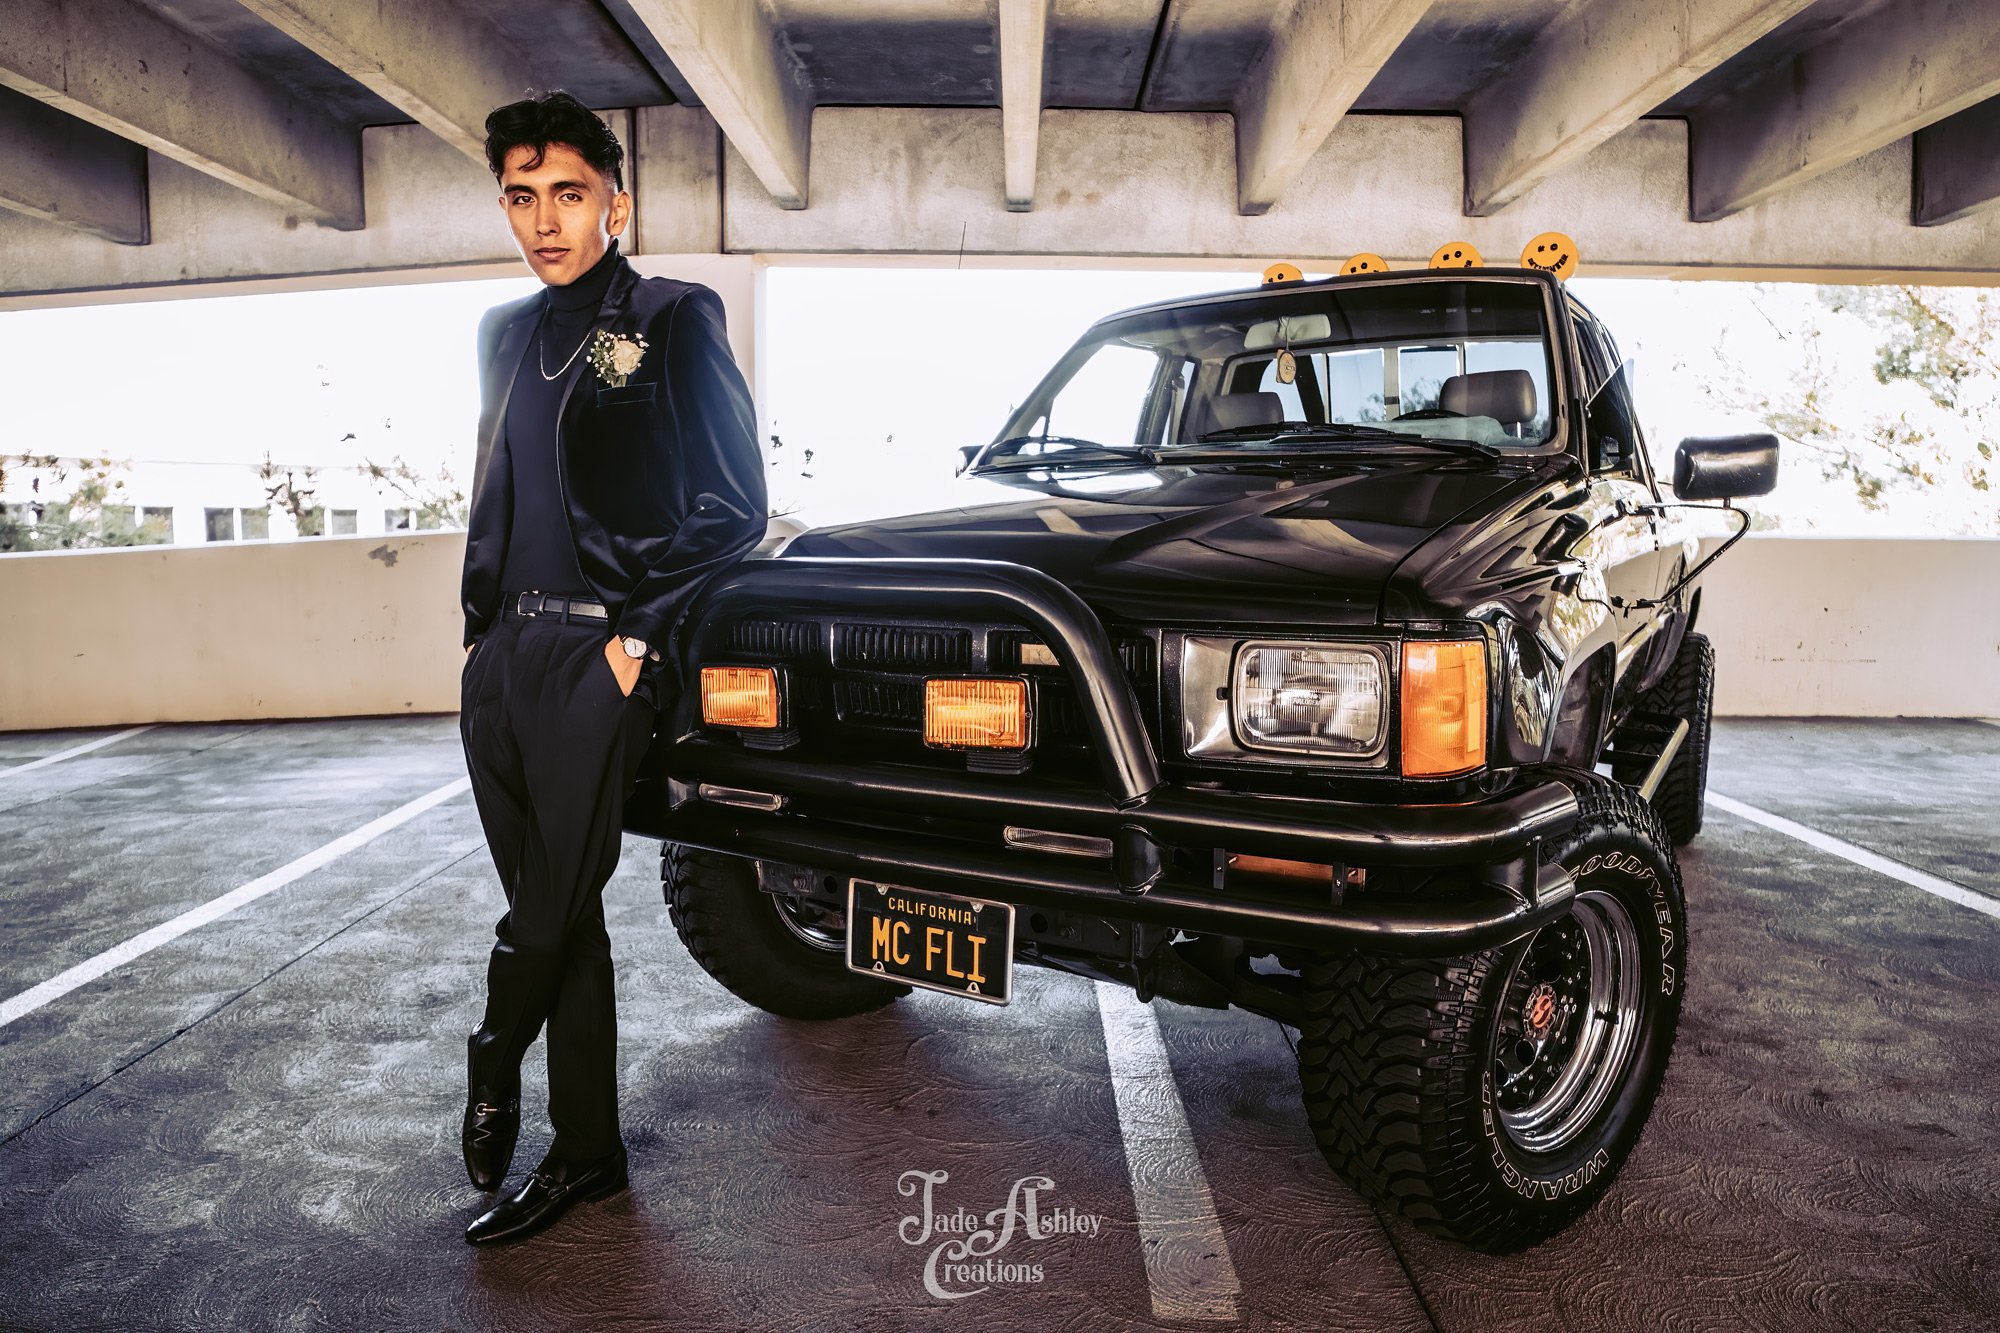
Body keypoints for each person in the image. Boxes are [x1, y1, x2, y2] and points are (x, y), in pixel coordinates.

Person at [454, 91, 766, 1245]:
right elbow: (503, 483)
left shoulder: (672, 316)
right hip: (503, 659)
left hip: (601, 650)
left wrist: (634, 639)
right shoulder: (502, 331)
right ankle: (588, 1154)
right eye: (522, 196)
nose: (543, 219)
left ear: (615, 204)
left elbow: (733, 507)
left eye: (568, 194)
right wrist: (479, 637)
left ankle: (493, 1054)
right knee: (561, 912)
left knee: (546, 900)